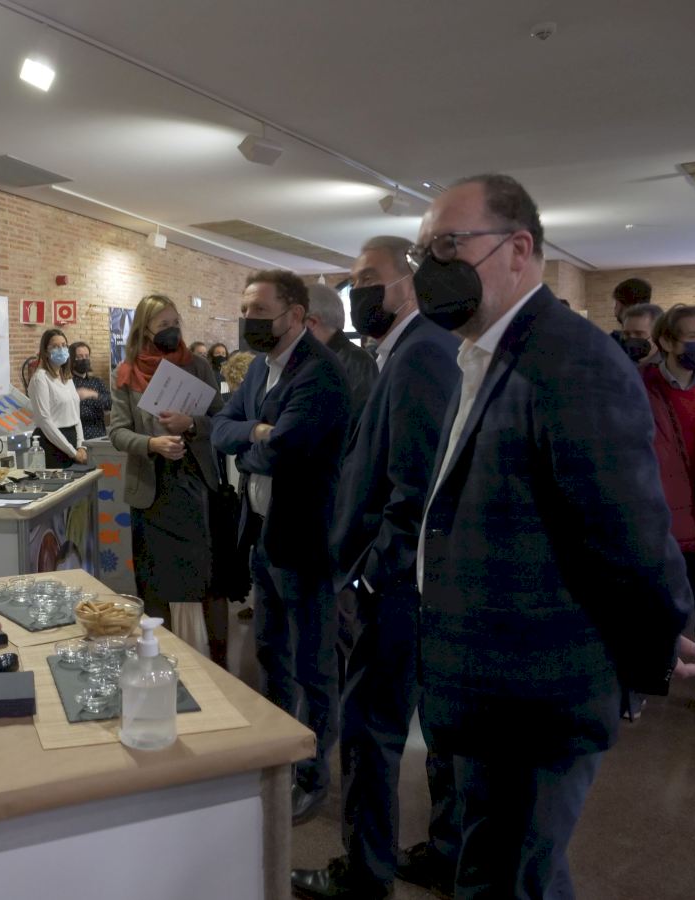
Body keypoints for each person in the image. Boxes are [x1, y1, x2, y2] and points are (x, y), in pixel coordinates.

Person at [411, 173, 695, 899]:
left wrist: (655, 640)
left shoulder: (570, 359)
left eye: (447, 246)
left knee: (510, 879)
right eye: (423, 253)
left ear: (518, 249)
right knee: (513, 872)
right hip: (491, 686)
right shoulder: (488, 355)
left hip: (536, 692)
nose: (430, 269)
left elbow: (627, 529)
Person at [292, 236, 460, 900]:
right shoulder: (404, 353)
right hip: (398, 582)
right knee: (430, 727)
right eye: (354, 278)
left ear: (409, 284)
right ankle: (446, 853)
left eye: (370, 278)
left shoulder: (421, 354)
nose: (358, 290)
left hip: (394, 589)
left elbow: (415, 489)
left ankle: (364, 874)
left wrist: (369, 575)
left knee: (369, 729)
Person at [211, 270, 350, 826]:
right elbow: (220, 426)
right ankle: (276, 761)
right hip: (265, 537)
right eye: (245, 310)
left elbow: (286, 447)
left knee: (313, 665)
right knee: (272, 655)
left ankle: (312, 776)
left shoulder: (320, 372)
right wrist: (255, 432)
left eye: (260, 312)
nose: (249, 320)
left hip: (306, 540)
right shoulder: (260, 369)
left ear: (295, 315)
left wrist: (251, 440)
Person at [108, 294, 226, 659]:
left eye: (176, 323)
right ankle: (158, 656)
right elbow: (117, 432)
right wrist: (151, 443)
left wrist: (191, 424)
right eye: (164, 325)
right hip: (150, 490)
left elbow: (222, 420)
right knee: (154, 582)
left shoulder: (199, 366)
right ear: (145, 329)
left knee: (204, 579)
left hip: (195, 484)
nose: (172, 330)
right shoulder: (126, 373)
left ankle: (214, 660)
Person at [642, 304, 695, 723]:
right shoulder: (638, 388)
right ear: (667, 341)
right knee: (654, 608)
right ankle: (642, 680)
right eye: (693, 337)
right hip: (661, 525)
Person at [305, 282, 378, 429]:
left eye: (293, 318)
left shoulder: (357, 363)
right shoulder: (312, 358)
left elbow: (356, 426)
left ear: (311, 322)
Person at [27, 328, 87, 468]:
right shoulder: (40, 379)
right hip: (52, 444)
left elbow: (76, 415)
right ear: (45, 351)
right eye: (55, 346)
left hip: (72, 441)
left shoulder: (67, 377)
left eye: (64, 345)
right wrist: (72, 452)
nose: (61, 349)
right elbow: (45, 421)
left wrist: (81, 445)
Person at [69, 340, 111, 439]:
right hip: (76, 437)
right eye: (79, 357)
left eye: (87, 356)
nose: (84, 359)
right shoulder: (67, 383)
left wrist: (93, 394)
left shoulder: (97, 382)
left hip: (98, 435)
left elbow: (110, 403)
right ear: (71, 359)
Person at [618, 301, 664, 366]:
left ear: (658, 335)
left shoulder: (670, 368)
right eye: (627, 334)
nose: (631, 340)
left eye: (639, 334)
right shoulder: (619, 363)